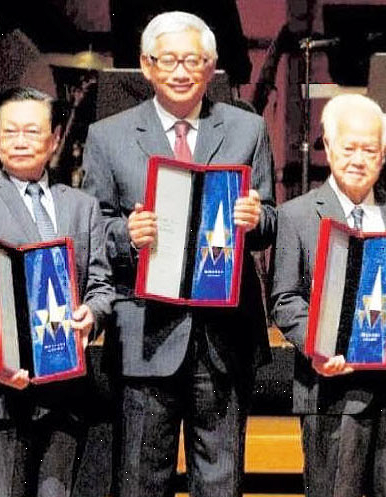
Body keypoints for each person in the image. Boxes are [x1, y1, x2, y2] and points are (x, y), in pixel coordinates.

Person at [79, 11, 276, 496]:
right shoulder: (109, 135)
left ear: (211, 67)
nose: (181, 71)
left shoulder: (247, 129)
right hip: (145, 332)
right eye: (168, 59)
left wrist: (256, 219)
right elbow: (90, 230)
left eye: (193, 60)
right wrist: (126, 234)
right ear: (146, 66)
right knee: (141, 481)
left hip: (225, 334)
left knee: (222, 479)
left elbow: (271, 218)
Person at [270, 94, 386, 497]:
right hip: (329, 387)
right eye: (349, 148)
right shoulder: (295, 214)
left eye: (370, 150)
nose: (358, 159)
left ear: (384, 156)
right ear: (328, 148)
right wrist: (320, 345)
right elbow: (284, 299)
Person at [0, 87, 115, 497]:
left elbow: (100, 285)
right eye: (9, 132)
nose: (20, 141)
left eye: (31, 131)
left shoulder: (83, 207)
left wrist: (93, 315)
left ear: (56, 138)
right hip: (2, 395)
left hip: (66, 394)